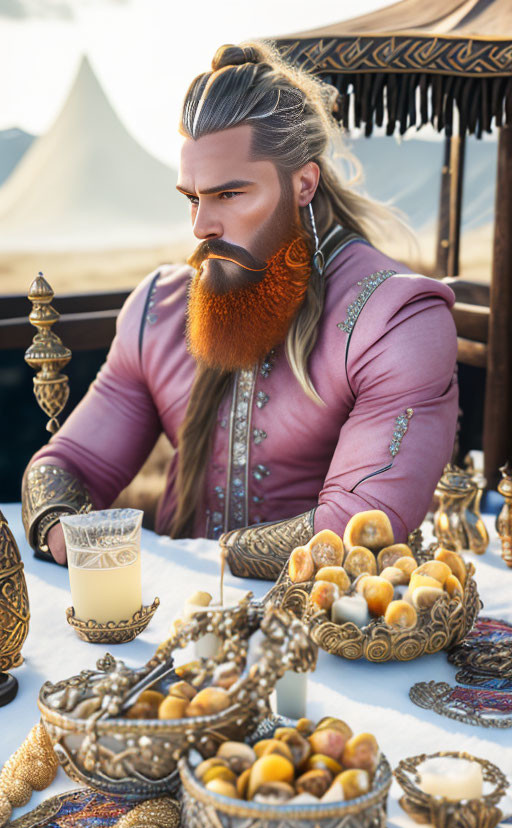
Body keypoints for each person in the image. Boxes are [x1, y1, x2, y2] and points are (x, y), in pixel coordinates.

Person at [22, 40, 458, 580]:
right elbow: (66, 467)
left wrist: (196, 563)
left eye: (230, 194)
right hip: (174, 626)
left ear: (303, 183)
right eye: (193, 197)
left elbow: (358, 529)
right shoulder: (158, 312)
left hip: (327, 638)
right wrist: (63, 524)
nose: (201, 225)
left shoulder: (396, 319)